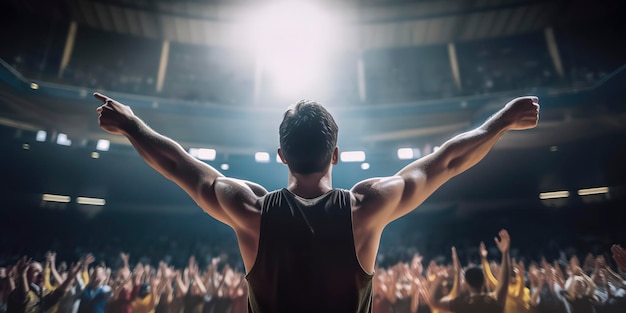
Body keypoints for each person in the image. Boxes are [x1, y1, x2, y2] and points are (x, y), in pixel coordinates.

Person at [94, 92, 539, 313]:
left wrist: (132, 125)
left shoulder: (249, 210)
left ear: (282, 155)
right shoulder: (365, 207)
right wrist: (502, 121)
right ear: (336, 155)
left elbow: (179, 165)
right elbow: (446, 162)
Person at [428, 230, 511, 313]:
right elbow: (504, 283)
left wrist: (440, 278)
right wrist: (505, 253)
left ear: (467, 284)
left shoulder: (461, 304)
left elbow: (433, 302)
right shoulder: (493, 301)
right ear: (484, 282)